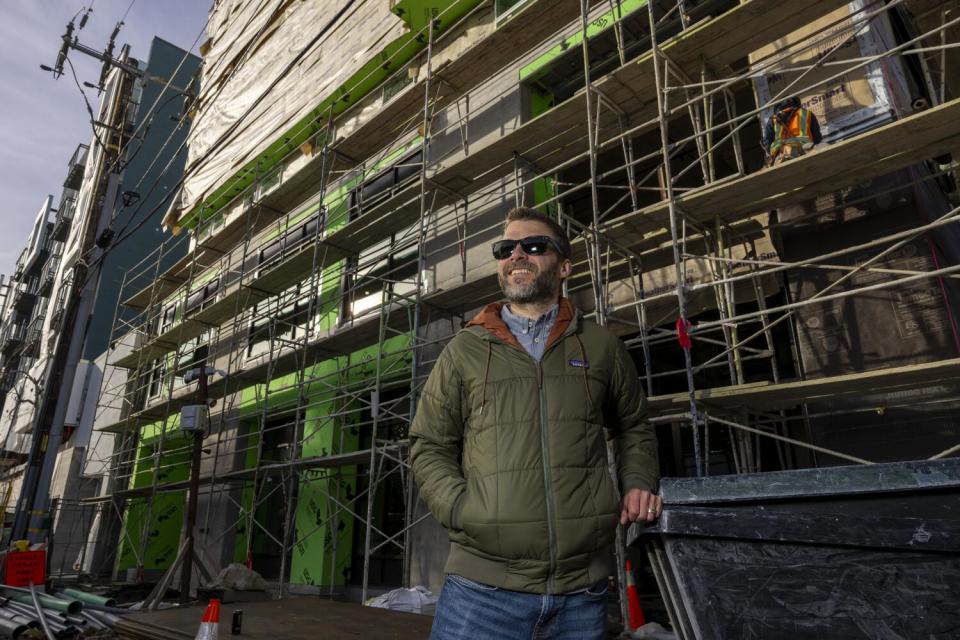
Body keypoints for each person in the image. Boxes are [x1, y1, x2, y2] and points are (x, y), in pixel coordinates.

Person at [410, 207, 661, 640]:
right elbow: (428, 444)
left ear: (564, 266)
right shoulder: (465, 349)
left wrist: (638, 480)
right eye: (506, 248)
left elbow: (634, 425)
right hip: (481, 591)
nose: (517, 255)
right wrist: (463, 510)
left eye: (533, 246)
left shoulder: (600, 345)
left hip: (582, 594)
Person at [762, 96, 823, 166]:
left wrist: (774, 154)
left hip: (782, 155)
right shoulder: (807, 113)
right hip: (806, 150)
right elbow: (817, 138)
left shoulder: (773, 120)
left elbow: (767, 143)